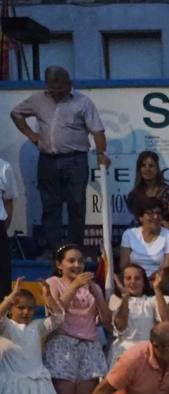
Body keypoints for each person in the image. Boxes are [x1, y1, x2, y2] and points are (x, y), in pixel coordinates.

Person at [9, 66, 108, 254]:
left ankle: (73, 251)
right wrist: (31, 135)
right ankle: (55, 251)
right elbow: (16, 113)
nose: (55, 92)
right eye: (51, 88)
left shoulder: (83, 102)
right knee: (50, 206)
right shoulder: (38, 99)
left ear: (68, 84)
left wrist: (101, 153)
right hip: (48, 161)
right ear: (47, 85)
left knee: (76, 205)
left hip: (76, 160)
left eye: (59, 88)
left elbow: (98, 131)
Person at [44, 244, 111, 394]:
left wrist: (97, 294)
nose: (77, 265)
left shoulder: (93, 286)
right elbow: (55, 313)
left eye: (80, 261)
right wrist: (74, 286)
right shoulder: (53, 283)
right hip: (62, 344)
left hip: (89, 345)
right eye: (71, 261)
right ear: (59, 265)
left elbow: (106, 320)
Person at [0, 284, 62, 394]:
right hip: (14, 383)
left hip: (35, 382)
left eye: (30, 308)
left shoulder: (37, 326)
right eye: (21, 307)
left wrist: (48, 297)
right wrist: (11, 296)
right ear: (11, 309)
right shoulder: (6, 326)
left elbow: (58, 318)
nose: (26, 312)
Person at [106, 263, 169, 369]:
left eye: (137, 278)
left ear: (144, 282)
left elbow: (167, 321)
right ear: (122, 281)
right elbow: (121, 326)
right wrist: (125, 298)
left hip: (147, 352)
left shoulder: (151, 300)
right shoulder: (115, 300)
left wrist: (157, 289)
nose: (133, 282)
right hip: (123, 352)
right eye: (128, 278)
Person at [118, 200, 169, 279]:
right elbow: (124, 266)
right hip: (134, 280)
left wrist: (148, 281)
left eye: (158, 213)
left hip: (158, 281)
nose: (155, 217)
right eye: (150, 213)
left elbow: (167, 269)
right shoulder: (129, 234)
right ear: (140, 218)